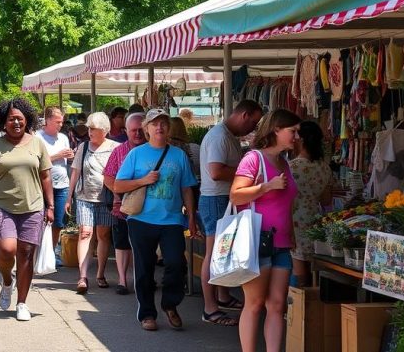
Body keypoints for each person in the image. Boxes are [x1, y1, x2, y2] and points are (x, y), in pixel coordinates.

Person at [114, 109, 198, 332]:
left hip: (171, 220)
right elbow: (118, 186)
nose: (159, 127)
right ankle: (147, 314)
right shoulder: (136, 154)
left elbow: (187, 187)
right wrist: (143, 180)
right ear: (146, 129)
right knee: (144, 268)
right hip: (141, 219)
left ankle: (170, 304)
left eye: (163, 123)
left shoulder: (178, 155)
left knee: (176, 263)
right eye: (154, 124)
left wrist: (191, 217)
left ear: (168, 128)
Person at [0, 98, 53, 321]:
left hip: (33, 206)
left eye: (20, 119)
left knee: (26, 254)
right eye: (11, 119)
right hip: (1, 205)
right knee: (7, 250)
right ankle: (7, 280)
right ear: (3, 122)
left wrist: (50, 206)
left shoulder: (37, 144)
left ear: (27, 119)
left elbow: (46, 176)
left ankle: (22, 303)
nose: (16, 123)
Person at [230, 109, 300, 352]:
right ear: (276, 130)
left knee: (278, 305)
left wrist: (291, 234)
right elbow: (236, 194)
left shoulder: (285, 163)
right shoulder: (253, 158)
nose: (296, 136)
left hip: (281, 242)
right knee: (255, 303)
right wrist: (267, 186)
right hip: (256, 239)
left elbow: (286, 204)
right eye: (293, 131)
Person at [198, 99, 263, 326]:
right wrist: (248, 174)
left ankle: (223, 297)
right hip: (216, 198)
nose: (253, 128)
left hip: (220, 198)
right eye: (253, 122)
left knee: (222, 251)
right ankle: (210, 307)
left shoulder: (226, 136)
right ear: (244, 115)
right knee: (214, 252)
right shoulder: (219, 137)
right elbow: (216, 172)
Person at [66, 112, 120, 294]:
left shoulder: (115, 148)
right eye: (89, 128)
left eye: (93, 129)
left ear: (104, 131)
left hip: (106, 198)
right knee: (85, 233)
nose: (89, 132)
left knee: (103, 236)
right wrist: (69, 196)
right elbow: (75, 172)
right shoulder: (83, 147)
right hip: (84, 196)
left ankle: (100, 274)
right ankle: (82, 277)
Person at [102, 111, 147, 295]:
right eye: (133, 130)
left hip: (149, 207)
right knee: (122, 243)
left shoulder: (153, 150)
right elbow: (107, 176)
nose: (137, 134)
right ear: (126, 131)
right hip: (122, 207)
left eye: (140, 130)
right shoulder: (119, 151)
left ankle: (143, 278)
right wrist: (118, 192)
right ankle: (122, 280)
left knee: (144, 244)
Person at [289, 121, 334, 287]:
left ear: (301, 140)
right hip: (315, 219)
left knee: (298, 265)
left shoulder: (291, 167)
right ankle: (312, 302)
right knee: (313, 264)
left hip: (295, 220)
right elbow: (326, 200)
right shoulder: (324, 167)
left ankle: (299, 305)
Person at [36, 106, 74, 265]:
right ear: (48, 120)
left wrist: (71, 156)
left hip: (62, 184)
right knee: (40, 221)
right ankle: (38, 254)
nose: (60, 125)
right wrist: (58, 155)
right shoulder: (38, 138)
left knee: (59, 222)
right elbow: (36, 161)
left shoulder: (63, 137)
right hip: (43, 185)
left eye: (62, 122)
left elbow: (67, 160)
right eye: (57, 122)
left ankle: (51, 253)